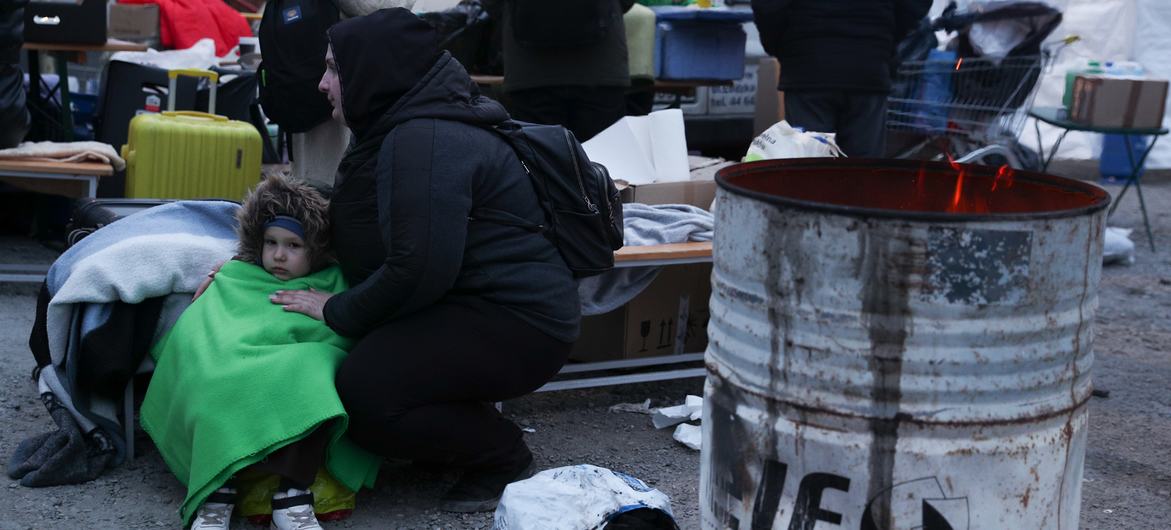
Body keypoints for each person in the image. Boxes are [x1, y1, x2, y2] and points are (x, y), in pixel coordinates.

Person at [269, 8, 580, 513]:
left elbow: (419, 269)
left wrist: (336, 308)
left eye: (333, 68)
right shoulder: (402, 123)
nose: (322, 83)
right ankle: (449, 428)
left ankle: (501, 455)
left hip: (517, 323)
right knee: (375, 366)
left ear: (371, 70)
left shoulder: (426, 138)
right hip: (473, 307)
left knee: (364, 391)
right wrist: (252, 250)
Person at [142, 175, 379, 530]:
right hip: (232, 360)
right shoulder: (238, 275)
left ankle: (292, 494)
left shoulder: (333, 281)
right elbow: (200, 331)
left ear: (317, 248)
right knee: (210, 376)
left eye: (294, 245)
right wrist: (227, 273)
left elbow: (343, 336)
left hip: (297, 362)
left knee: (313, 378)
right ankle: (216, 491)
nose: (279, 255)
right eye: (271, 242)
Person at [750, 0, 931, 157]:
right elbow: (914, 6)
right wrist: (886, 38)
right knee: (862, 174)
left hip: (809, 66)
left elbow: (768, 7)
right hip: (869, 63)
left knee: (808, 168)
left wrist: (782, 45)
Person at [485, 0, 636, 141]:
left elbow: (491, 4)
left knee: (541, 160)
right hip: (600, 65)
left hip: (530, 70)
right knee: (605, 157)